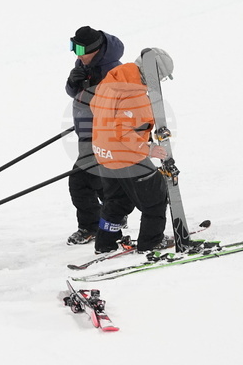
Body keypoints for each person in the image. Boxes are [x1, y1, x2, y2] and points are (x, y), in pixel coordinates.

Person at [89, 48, 174, 254]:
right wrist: (148, 148)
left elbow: (94, 106)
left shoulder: (112, 80)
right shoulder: (135, 94)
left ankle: (105, 243)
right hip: (125, 156)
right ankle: (151, 241)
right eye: (160, 78)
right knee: (155, 196)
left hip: (104, 153)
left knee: (117, 201)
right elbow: (123, 131)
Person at [64, 26, 124, 245]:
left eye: (80, 49)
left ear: (95, 49)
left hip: (103, 135)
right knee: (99, 181)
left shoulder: (113, 71)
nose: (76, 54)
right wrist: (73, 83)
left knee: (80, 182)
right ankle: (113, 217)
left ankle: (94, 225)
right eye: (73, 47)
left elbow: (121, 106)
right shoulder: (83, 63)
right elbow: (74, 93)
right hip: (86, 131)